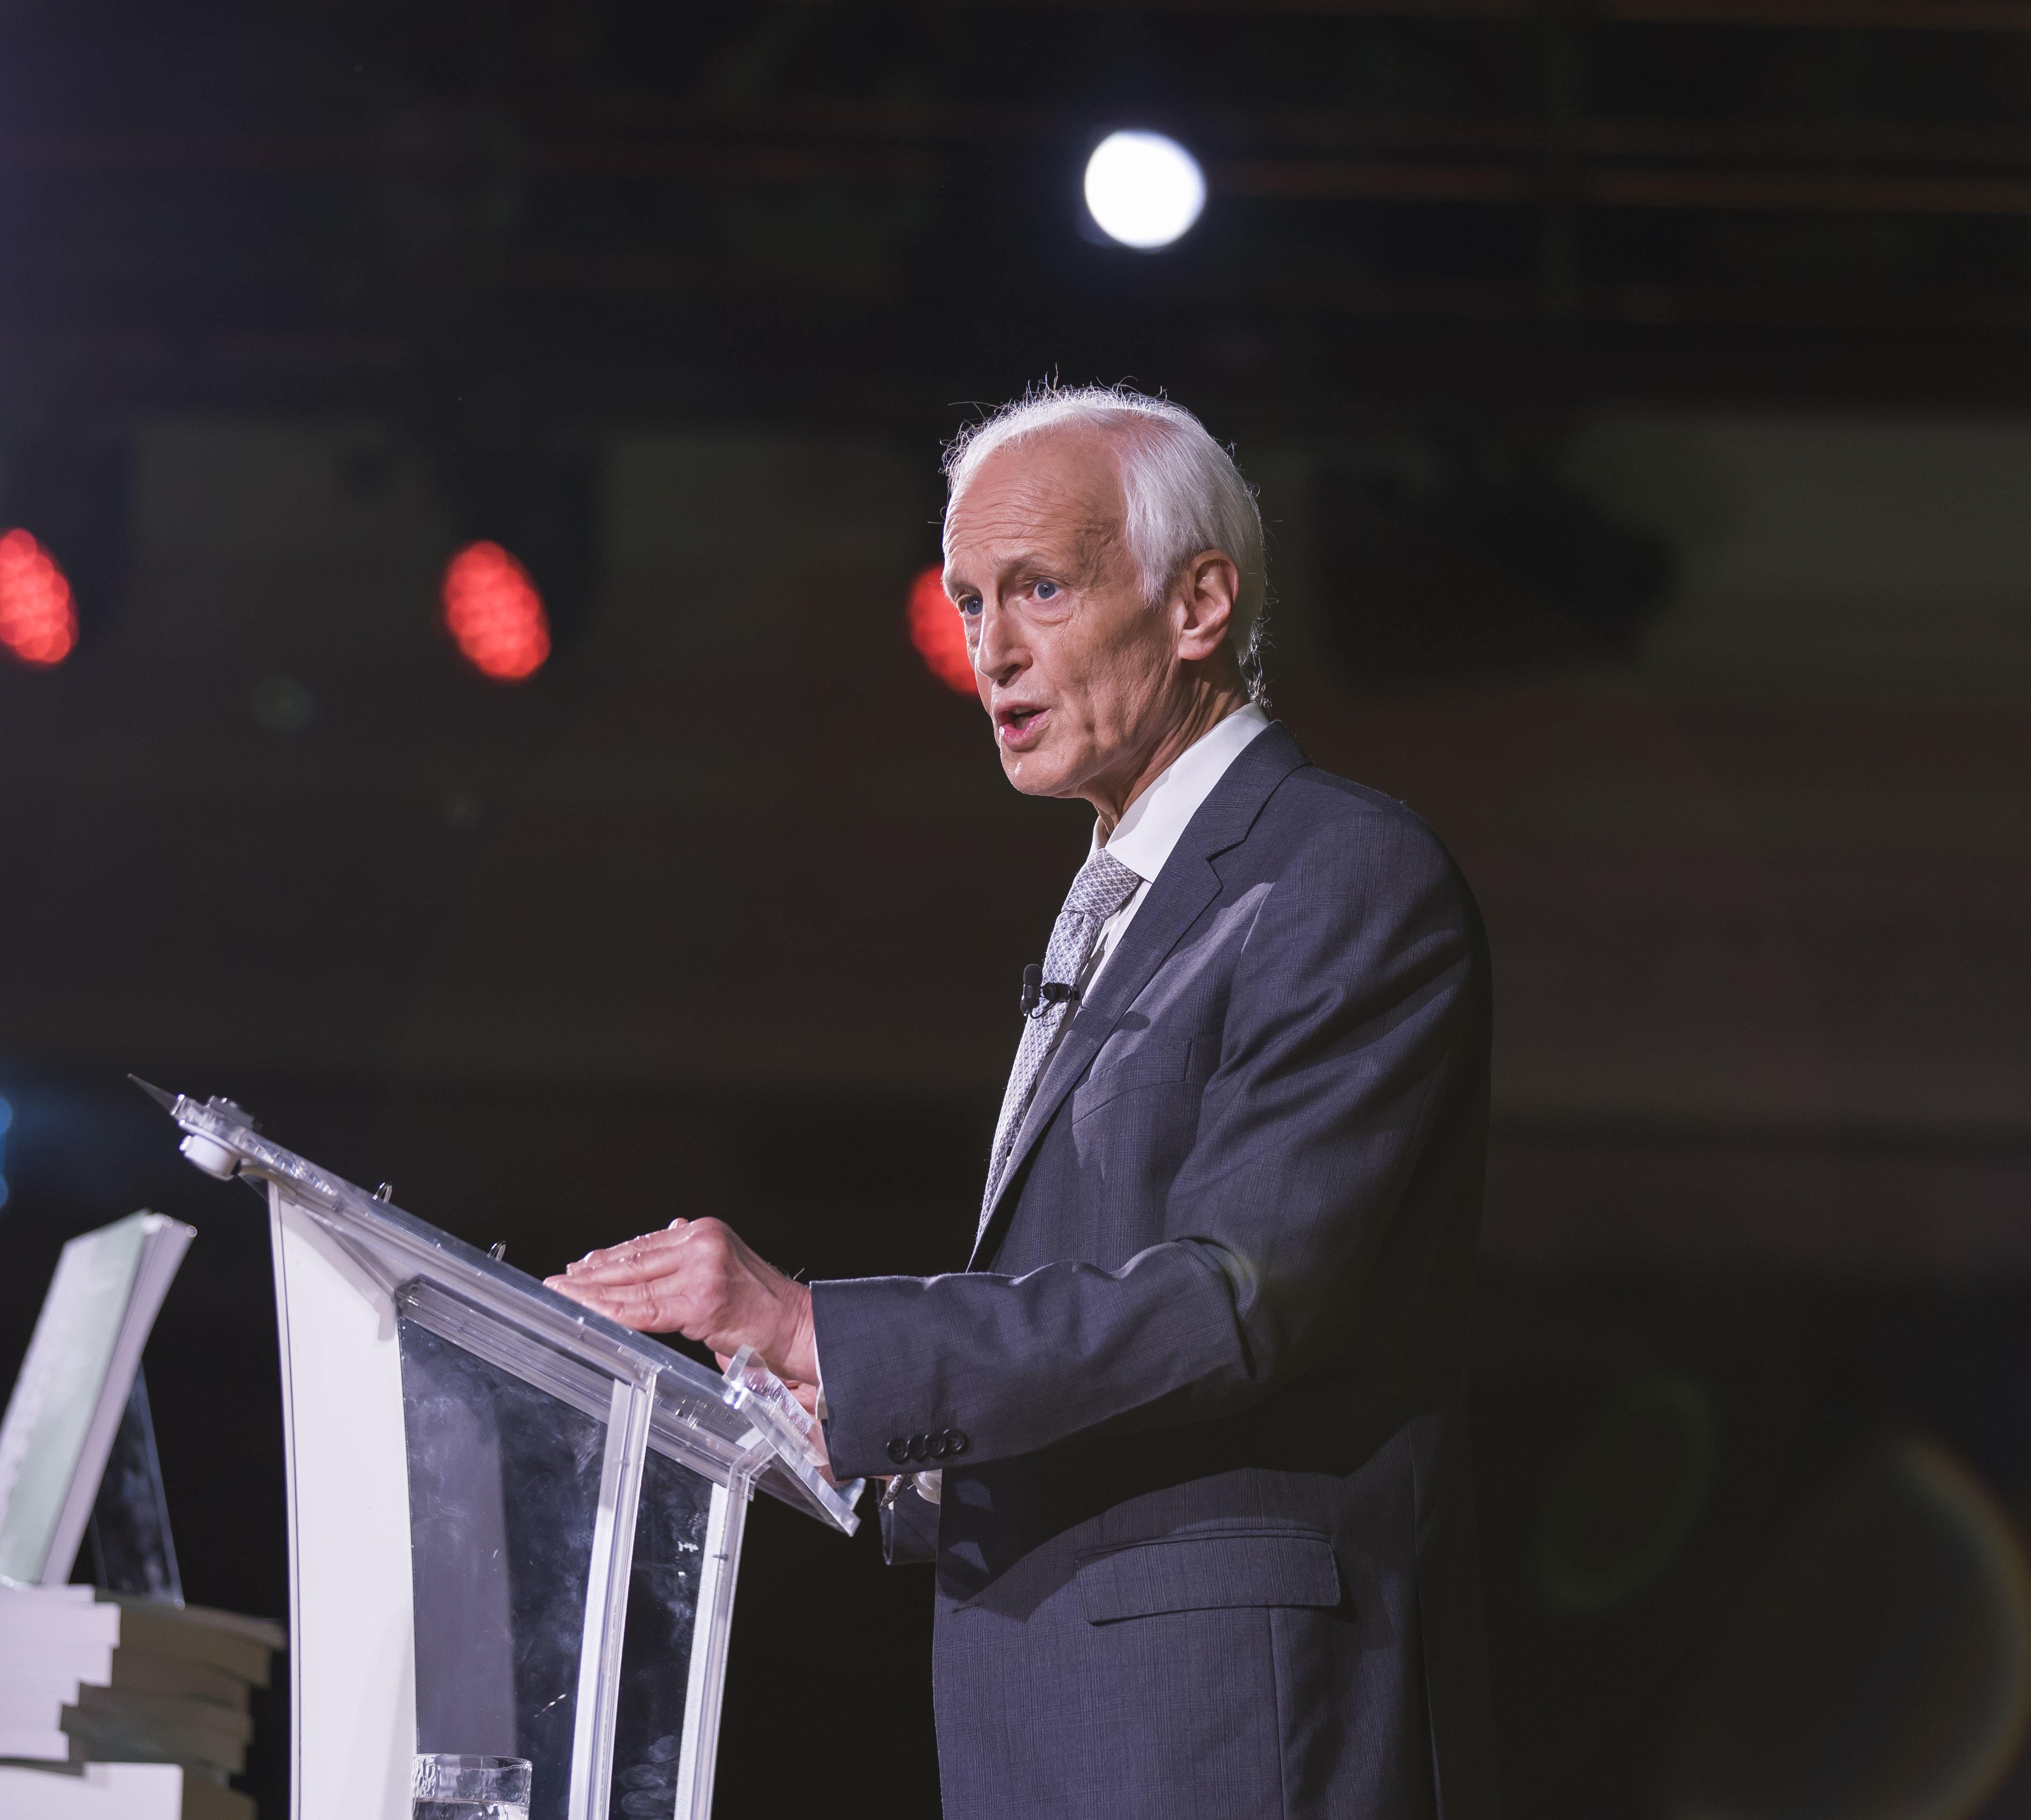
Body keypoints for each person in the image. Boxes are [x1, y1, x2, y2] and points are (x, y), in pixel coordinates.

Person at [547, 385, 1496, 1820]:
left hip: (1227, 1729)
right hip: (1068, 1710)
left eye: (1040, 589)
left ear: (1195, 605)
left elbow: (1231, 1301)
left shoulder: (1335, 874)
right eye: (967, 599)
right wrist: (839, 1411)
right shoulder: (1123, 895)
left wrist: (823, 1330)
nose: (987, 648)